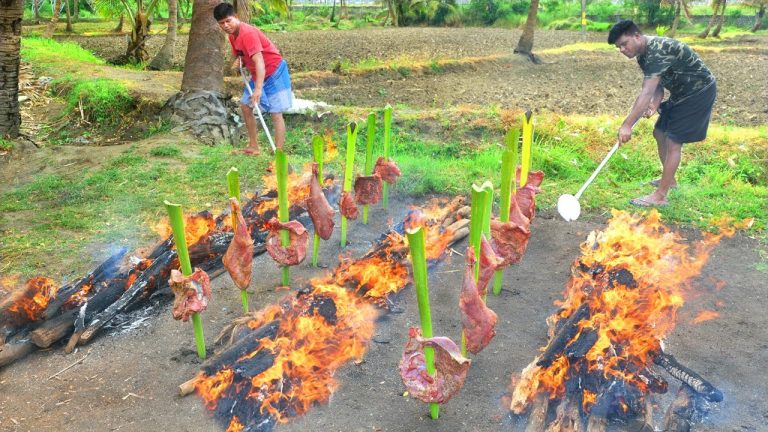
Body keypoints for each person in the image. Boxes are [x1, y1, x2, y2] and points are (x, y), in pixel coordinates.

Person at [608, 20, 716, 207]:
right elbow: (657, 86)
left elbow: (647, 92)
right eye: (618, 47)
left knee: (673, 141)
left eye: (624, 44)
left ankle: (660, 195)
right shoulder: (643, 56)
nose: (622, 50)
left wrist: (627, 125)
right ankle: (670, 180)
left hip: (699, 92)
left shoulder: (658, 50)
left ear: (637, 36)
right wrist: (654, 104)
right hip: (682, 92)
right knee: (659, 133)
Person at [214, 3, 293, 155]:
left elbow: (260, 62)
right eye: (221, 23)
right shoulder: (232, 36)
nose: (225, 25)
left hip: (274, 71)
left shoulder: (248, 33)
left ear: (236, 17)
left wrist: (257, 89)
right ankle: (253, 147)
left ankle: (279, 153)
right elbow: (240, 53)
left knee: (276, 113)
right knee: (245, 106)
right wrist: (238, 60)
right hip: (258, 73)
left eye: (228, 21)